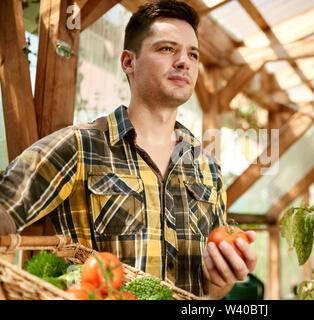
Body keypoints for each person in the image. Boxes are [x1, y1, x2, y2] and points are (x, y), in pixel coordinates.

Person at [0, 0, 257, 299]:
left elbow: (212, 293)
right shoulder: (80, 147)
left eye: (193, 54)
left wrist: (222, 279)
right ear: (128, 62)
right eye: (166, 49)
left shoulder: (208, 169)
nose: (184, 61)